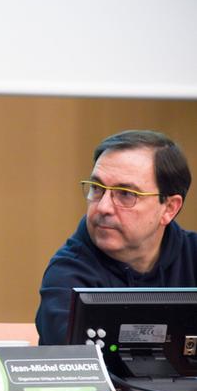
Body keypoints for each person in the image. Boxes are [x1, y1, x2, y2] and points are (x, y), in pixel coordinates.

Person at [36, 130, 197, 345]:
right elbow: (77, 368)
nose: (103, 207)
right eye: (97, 188)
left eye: (126, 194)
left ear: (169, 208)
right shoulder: (68, 275)